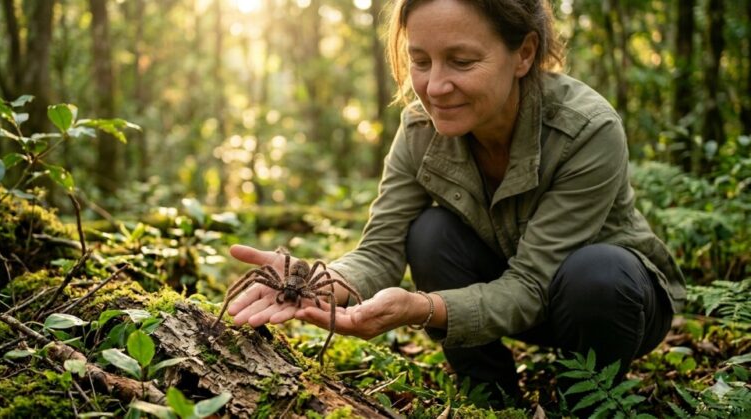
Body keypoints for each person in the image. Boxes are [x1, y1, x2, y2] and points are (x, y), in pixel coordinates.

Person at [224, 0, 686, 405]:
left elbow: (532, 284)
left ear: (524, 53)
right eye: (420, 61)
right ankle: (489, 397)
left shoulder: (587, 130)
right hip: (502, 300)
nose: (435, 87)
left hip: (606, 306)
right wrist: (323, 284)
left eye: (461, 61)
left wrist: (423, 308)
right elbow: (379, 249)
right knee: (430, 233)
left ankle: (586, 401)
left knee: (598, 273)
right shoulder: (420, 130)